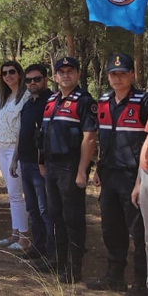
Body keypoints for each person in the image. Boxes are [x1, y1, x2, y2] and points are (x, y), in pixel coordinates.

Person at [86, 53, 147, 294]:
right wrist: (98, 168)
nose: (117, 78)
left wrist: (140, 180)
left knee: (139, 231)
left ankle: (141, 282)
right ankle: (114, 277)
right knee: (111, 230)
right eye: (113, 74)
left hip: (134, 177)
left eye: (123, 74)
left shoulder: (143, 101)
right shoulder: (103, 100)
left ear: (132, 75)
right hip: (109, 176)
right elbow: (103, 138)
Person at [38, 57, 97, 283]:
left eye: (70, 71)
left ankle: (74, 268)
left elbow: (89, 138)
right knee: (55, 216)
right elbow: (43, 135)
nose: (65, 75)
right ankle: (60, 262)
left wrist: (82, 170)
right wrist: (42, 161)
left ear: (78, 74)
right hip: (51, 166)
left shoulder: (84, 101)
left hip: (71, 166)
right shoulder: (51, 100)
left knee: (72, 218)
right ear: (55, 77)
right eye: (61, 72)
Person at [10, 64, 54, 263]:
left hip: (40, 164)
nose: (32, 83)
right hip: (25, 161)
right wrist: (14, 158)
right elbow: (22, 132)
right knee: (33, 209)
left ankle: (51, 251)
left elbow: (48, 136)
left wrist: (42, 161)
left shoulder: (51, 102)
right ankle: (37, 246)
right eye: (28, 80)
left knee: (46, 210)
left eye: (37, 79)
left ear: (45, 79)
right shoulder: (28, 103)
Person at [0, 61, 31, 251]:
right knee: (11, 194)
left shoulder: (26, 97)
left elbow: (22, 129)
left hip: (15, 151)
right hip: (2, 149)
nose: (8, 76)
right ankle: (15, 233)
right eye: (4, 73)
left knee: (17, 195)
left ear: (20, 74)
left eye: (12, 72)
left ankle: (24, 238)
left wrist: (15, 157)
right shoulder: (6, 98)